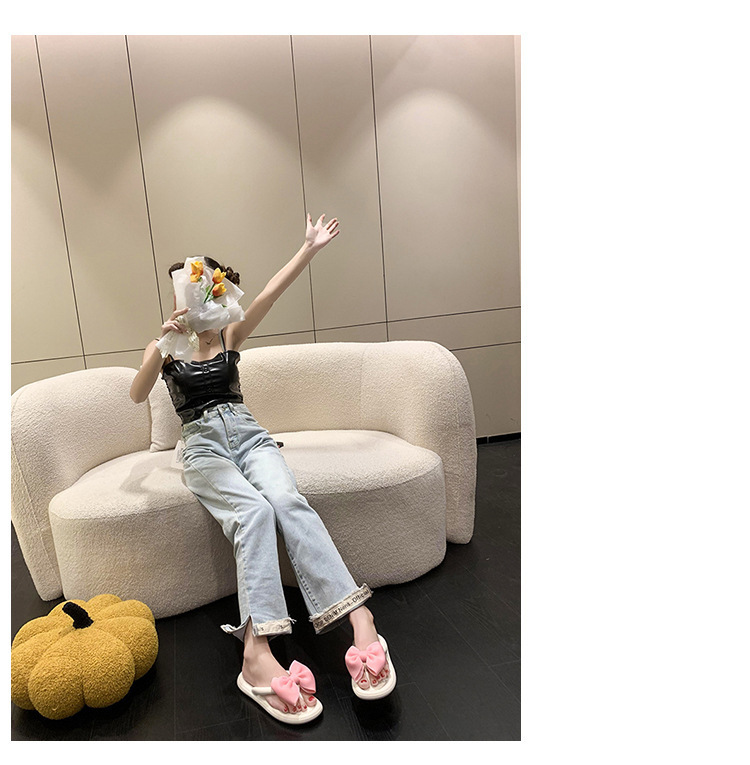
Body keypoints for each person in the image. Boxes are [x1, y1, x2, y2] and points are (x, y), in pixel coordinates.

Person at [129, 214, 395, 724]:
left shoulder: (229, 333)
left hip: (249, 436)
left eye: (206, 287)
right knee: (253, 512)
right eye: (188, 289)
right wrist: (163, 346)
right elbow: (137, 394)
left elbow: (270, 293)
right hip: (203, 447)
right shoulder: (165, 346)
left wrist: (309, 248)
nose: (198, 297)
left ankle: (360, 618)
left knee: (287, 500)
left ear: (216, 290)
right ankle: (256, 652)